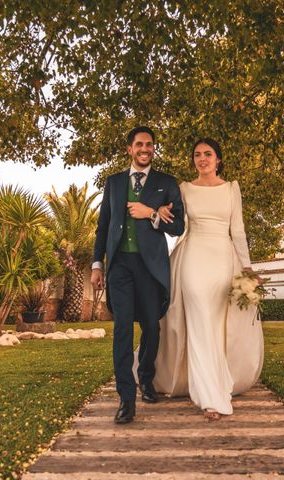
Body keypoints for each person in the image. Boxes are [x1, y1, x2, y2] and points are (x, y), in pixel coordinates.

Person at [153, 138, 264, 421]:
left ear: (218, 159)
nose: (202, 159)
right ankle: (208, 397)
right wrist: (162, 214)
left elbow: (237, 231)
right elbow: (177, 225)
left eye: (208, 154)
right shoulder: (184, 189)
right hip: (193, 256)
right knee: (200, 320)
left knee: (216, 325)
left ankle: (216, 382)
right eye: (197, 155)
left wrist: (248, 268)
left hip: (223, 260)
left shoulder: (231, 189)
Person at [91, 126, 184, 424]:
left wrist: (151, 213)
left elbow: (178, 225)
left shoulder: (166, 183)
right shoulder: (114, 183)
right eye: (140, 144)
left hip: (151, 266)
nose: (145, 149)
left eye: (150, 145)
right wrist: (96, 264)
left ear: (153, 149)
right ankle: (126, 398)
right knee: (122, 329)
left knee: (151, 329)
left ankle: (146, 378)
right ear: (130, 149)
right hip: (120, 265)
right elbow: (104, 225)